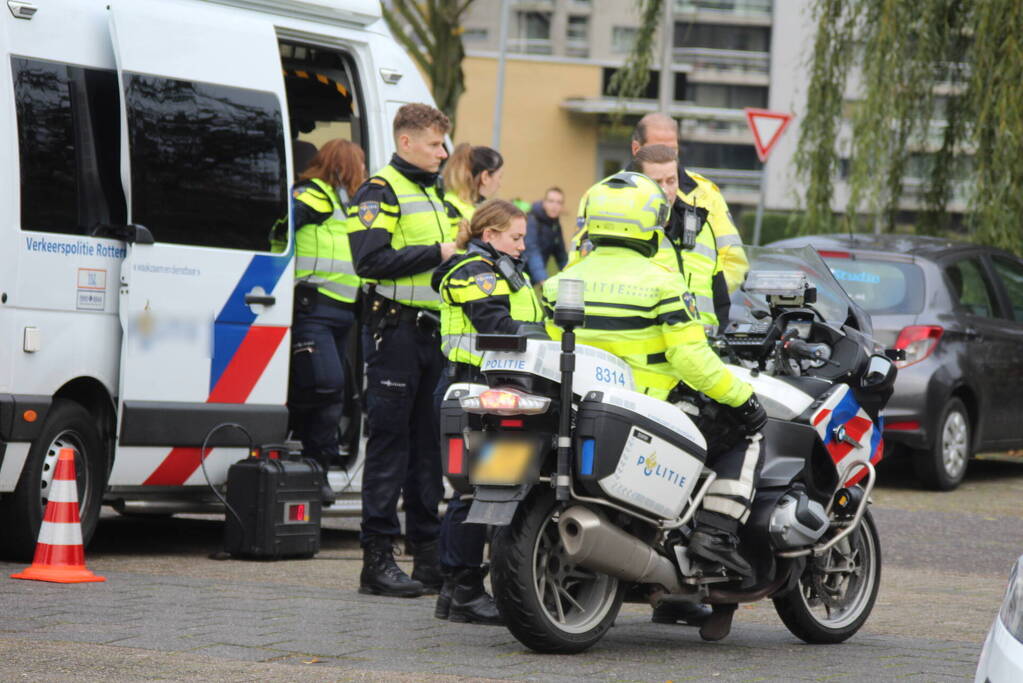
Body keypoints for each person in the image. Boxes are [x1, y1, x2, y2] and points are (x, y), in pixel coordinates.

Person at [543, 172, 766, 642]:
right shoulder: (661, 283)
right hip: (651, 406)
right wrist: (743, 400)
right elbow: (693, 360)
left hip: (577, 405)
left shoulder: (560, 282)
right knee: (746, 433)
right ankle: (714, 537)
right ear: (652, 225)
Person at [346, 103, 458, 598]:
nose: (443, 152)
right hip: (394, 333)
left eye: (444, 143)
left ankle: (429, 557)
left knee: (429, 450)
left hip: (434, 334)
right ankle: (377, 560)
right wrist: (440, 253)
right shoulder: (380, 190)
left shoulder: (434, 195)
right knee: (391, 446)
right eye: (435, 144)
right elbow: (369, 261)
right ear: (406, 142)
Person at [431, 199, 544, 625]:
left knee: (474, 489)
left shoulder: (503, 271)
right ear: (489, 235)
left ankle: (454, 592)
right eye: (515, 237)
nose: (521, 246)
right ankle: (462, 589)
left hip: (489, 388)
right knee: (475, 491)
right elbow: (496, 325)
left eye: (523, 238)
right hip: (470, 388)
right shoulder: (472, 271)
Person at [571, 113, 748, 333]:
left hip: (698, 332)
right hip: (633, 327)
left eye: (673, 150)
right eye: (657, 148)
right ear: (637, 149)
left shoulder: (705, 193)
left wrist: (700, 305)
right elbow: (581, 262)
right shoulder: (604, 194)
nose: (666, 155)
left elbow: (731, 261)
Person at [287, 139, 365, 504]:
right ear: (343, 166)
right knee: (325, 386)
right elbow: (280, 232)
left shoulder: (343, 203)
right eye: (357, 166)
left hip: (342, 313)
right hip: (313, 308)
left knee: (335, 391)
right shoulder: (312, 196)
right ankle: (313, 466)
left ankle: (313, 465)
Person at [442, 143, 504, 227]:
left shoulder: (449, 201)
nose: (500, 184)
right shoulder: (454, 209)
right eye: (499, 177)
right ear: (485, 177)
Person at [522, 187, 567, 285]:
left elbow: (561, 254)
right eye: (551, 201)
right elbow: (532, 250)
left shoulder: (555, 225)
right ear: (544, 202)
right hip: (520, 271)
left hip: (533, 273)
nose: (554, 206)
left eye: (559, 202)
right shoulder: (532, 219)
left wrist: (570, 276)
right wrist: (543, 279)